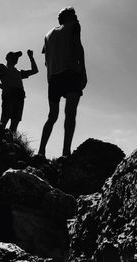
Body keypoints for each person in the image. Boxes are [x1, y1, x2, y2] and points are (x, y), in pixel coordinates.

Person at [38, 6, 87, 157]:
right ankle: (66, 152)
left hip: (53, 78)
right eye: (74, 14)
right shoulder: (74, 26)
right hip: (71, 73)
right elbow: (78, 48)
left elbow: (46, 60)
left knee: (52, 116)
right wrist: (83, 72)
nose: (77, 17)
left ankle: (41, 151)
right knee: (70, 114)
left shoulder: (48, 35)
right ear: (68, 17)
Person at [0, 50, 38, 132]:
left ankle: (10, 141)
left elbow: (35, 71)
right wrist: (1, 86)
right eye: (14, 56)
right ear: (7, 58)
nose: (16, 58)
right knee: (4, 119)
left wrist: (31, 58)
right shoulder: (2, 67)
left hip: (19, 96)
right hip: (9, 95)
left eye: (17, 57)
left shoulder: (18, 71)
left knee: (15, 122)